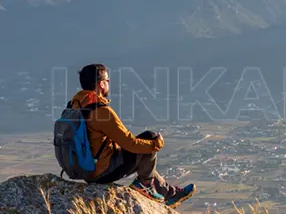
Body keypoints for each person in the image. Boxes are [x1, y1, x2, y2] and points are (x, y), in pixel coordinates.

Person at [69, 64, 194, 206]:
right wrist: (156, 144)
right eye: (107, 81)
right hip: (102, 171)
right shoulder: (101, 112)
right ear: (101, 84)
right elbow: (131, 144)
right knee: (149, 138)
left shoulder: (75, 106)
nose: (109, 83)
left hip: (87, 169)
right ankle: (144, 184)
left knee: (143, 150)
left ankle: (170, 193)